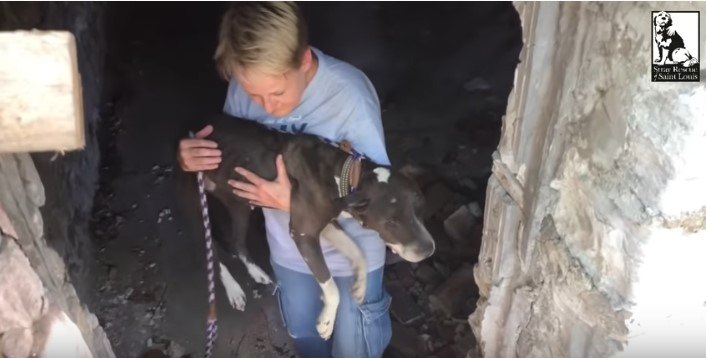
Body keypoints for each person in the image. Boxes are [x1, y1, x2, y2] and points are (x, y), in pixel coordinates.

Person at [177, 3, 392, 357]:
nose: (267, 106)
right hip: (292, 251)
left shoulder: (349, 98)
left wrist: (291, 202)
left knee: (355, 346)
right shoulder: (243, 94)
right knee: (305, 333)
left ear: (304, 61)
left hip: (354, 255)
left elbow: (379, 196)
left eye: (276, 94)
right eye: (252, 94)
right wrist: (190, 157)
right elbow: (233, 151)